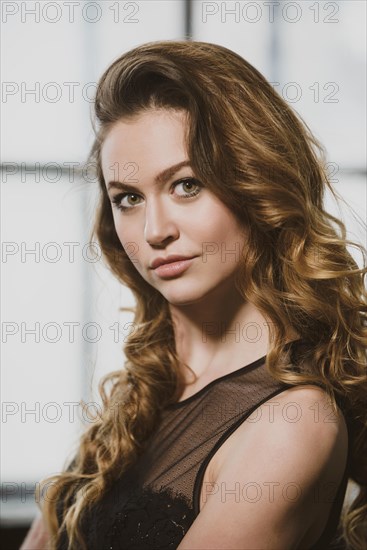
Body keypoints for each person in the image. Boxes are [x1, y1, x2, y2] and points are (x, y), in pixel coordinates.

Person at [20, 40, 366, 550]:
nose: (155, 229)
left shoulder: (293, 423)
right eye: (129, 198)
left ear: (256, 183)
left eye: (186, 185)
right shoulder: (139, 396)